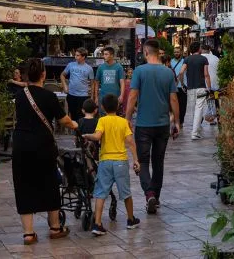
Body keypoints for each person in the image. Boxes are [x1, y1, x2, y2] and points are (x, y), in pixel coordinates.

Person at [13, 58, 78, 245]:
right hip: (43, 144)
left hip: (21, 144)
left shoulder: (20, 95)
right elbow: (64, 120)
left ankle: (28, 233)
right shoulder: (49, 97)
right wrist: (74, 124)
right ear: (43, 75)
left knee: (23, 184)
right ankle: (55, 227)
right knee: (49, 183)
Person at [125, 39, 179, 214]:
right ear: (158, 52)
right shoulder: (168, 73)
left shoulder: (140, 71)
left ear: (146, 53)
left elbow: (132, 96)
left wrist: (127, 118)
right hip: (162, 124)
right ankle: (156, 196)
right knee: (158, 162)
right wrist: (176, 122)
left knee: (143, 161)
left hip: (143, 125)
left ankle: (149, 194)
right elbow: (174, 99)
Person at [82, 94, 141, 235]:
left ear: (102, 107)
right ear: (118, 106)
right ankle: (131, 219)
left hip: (105, 161)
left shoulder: (101, 120)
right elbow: (131, 142)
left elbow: (97, 137)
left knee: (101, 192)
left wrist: (86, 135)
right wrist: (136, 160)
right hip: (120, 161)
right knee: (126, 192)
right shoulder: (123, 122)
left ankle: (97, 224)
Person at [178, 42, 211, 140]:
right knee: (199, 109)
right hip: (201, 87)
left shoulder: (187, 59)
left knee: (193, 109)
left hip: (190, 87)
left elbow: (181, 72)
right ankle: (195, 132)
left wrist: (182, 83)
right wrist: (209, 88)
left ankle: (195, 130)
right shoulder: (204, 59)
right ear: (199, 49)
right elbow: (206, 74)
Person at [60, 48, 94, 122]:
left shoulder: (89, 68)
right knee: (73, 116)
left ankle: (81, 133)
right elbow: (62, 75)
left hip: (83, 96)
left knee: (82, 116)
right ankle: (76, 132)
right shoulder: (70, 65)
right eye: (75, 55)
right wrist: (65, 86)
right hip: (71, 95)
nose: (75, 57)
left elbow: (92, 83)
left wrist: (92, 97)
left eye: (77, 55)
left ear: (83, 57)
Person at [93, 47, 125, 115]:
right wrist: (96, 97)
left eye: (106, 54)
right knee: (103, 117)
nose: (104, 56)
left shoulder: (119, 67)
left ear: (112, 55)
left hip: (115, 97)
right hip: (103, 97)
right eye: (104, 54)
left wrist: (122, 95)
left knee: (115, 118)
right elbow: (97, 82)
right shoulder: (100, 67)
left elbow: (122, 82)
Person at [171, 48, 187, 128]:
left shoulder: (184, 61)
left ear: (180, 52)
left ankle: (181, 121)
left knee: (183, 105)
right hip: (173, 86)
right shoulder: (171, 61)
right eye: (175, 52)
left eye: (178, 52)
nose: (176, 53)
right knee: (173, 104)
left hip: (183, 86)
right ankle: (175, 120)